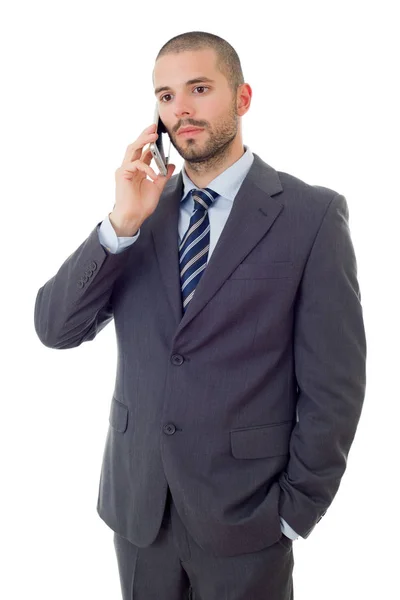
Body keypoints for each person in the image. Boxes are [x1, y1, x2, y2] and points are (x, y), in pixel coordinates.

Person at [34, 30, 367, 600]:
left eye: (199, 88)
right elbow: (55, 328)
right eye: (165, 96)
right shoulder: (140, 214)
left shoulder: (311, 215)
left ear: (242, 98)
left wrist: (296, 511)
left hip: (250, 517)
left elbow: (335, 385)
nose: (180, 109)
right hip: (141, 514)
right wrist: (119, 224)